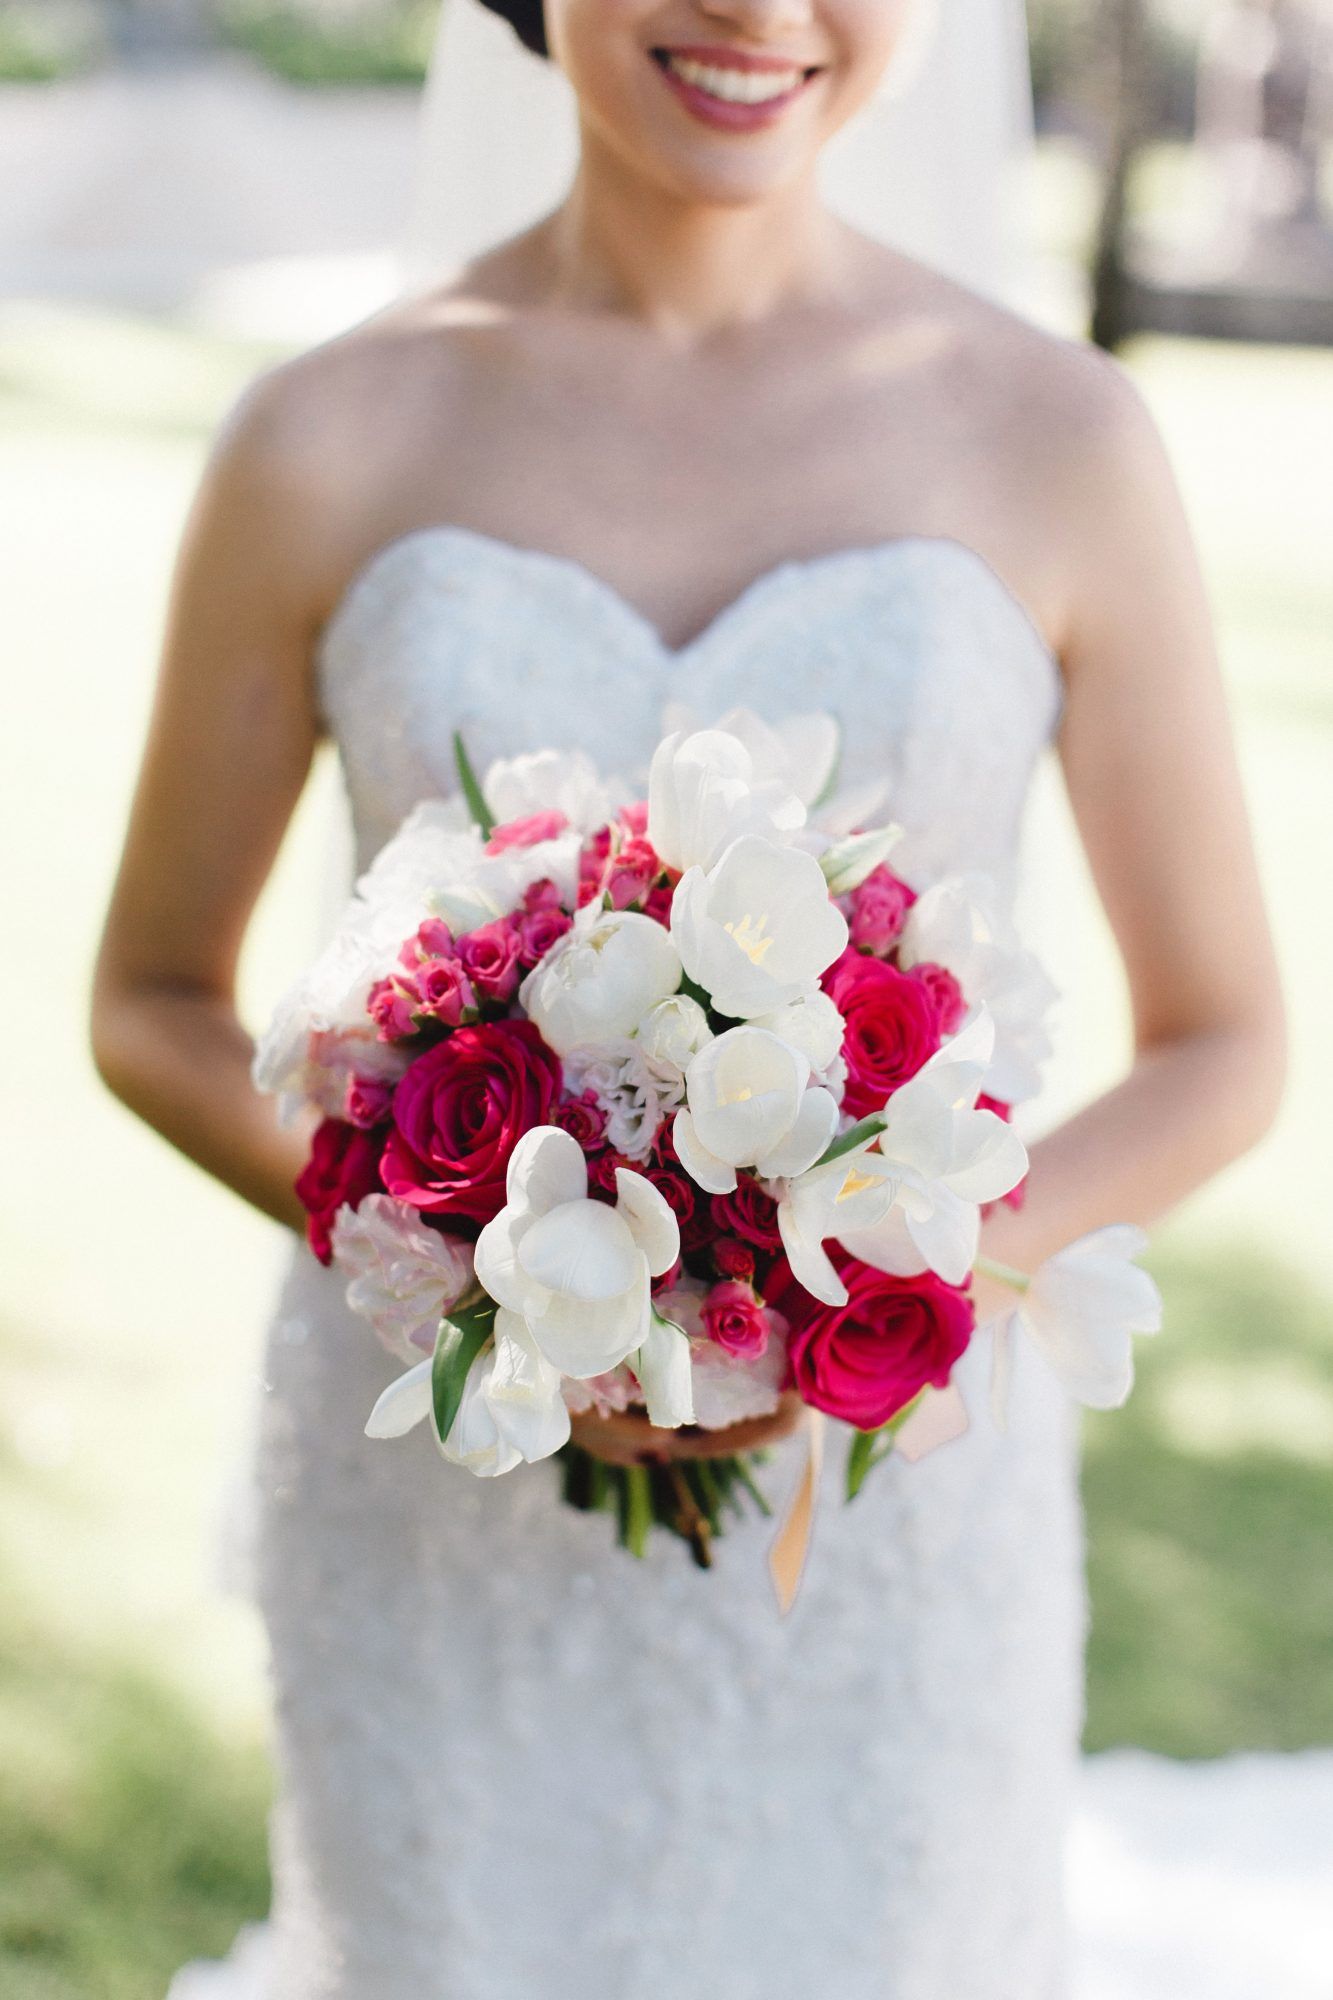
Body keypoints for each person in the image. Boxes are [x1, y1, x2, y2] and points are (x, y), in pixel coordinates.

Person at [90, 1, 1285, 1994]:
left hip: (886, 1537)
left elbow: (1226, 1036)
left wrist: (869, 1283)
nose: (755, 8)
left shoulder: (1057, 435)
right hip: (435, 1519)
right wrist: (463, 1262)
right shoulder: (325, 435)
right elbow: (147, 998)